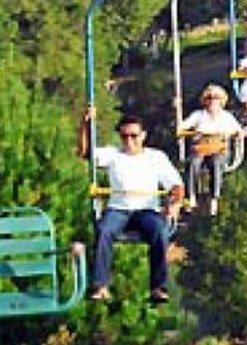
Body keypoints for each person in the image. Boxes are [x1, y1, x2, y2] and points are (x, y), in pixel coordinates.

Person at [78, 109, 184, 303]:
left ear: (143, 136)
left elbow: (175, 185)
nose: (129, 141)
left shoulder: (156, 157)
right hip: (118, 209)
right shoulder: (113, 154)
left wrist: (174, 204)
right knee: (104, 230)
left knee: (160, 232)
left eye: (134, 136)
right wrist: (86, 124)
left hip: (146, 210)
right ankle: (100, 285)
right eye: (124, 136)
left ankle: (158, 287)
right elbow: (85, 152)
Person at [178, 84, 243, 215]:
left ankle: (214, 198)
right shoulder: (198, 115)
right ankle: (191, 196)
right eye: (209, 97)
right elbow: (182, 127)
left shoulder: (227, 117)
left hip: (219, 149)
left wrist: (233, 134)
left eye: (216, 97)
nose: (212, 100)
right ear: (205, 100)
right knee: (193, 162)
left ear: (221, 100)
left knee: (215, 163)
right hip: (201, 148)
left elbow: (238, 131)